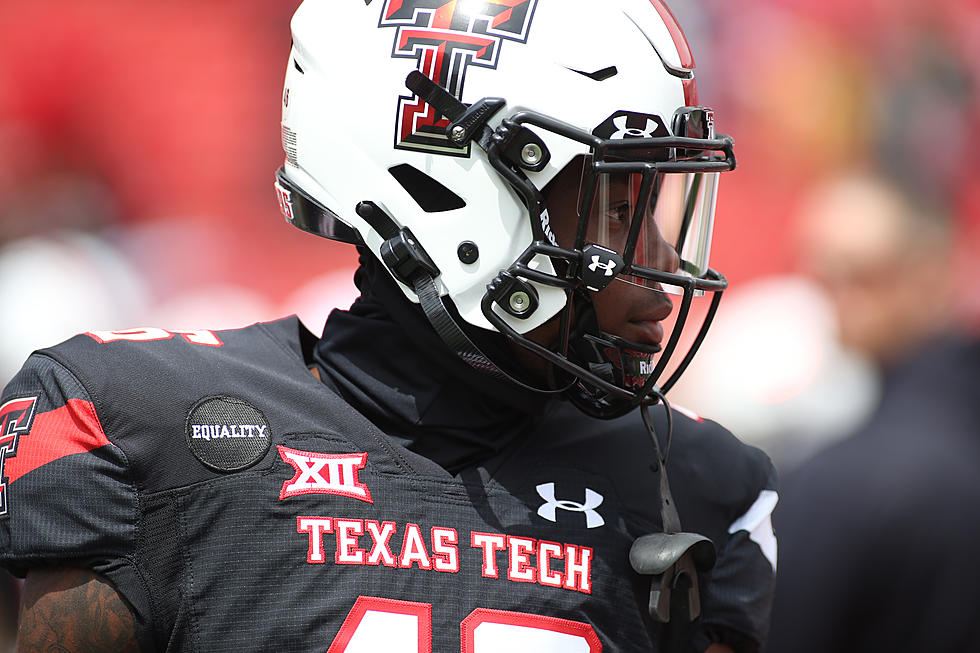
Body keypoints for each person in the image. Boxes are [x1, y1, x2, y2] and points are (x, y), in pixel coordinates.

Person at [0, 1, 776, 651]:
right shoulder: (147, 430)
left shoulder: (698, 484)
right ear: (452, 191)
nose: (662, 268)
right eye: (616, 205)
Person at [767, 173, 980, 652]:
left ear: (932, 274)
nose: (832, 297)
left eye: (857, 274)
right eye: (821, 274)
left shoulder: (841, 481)